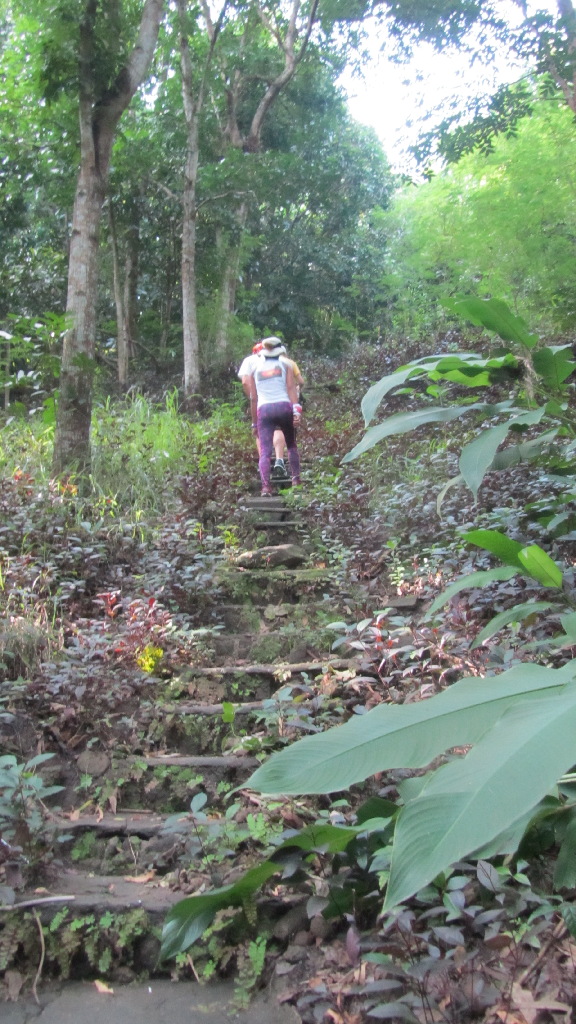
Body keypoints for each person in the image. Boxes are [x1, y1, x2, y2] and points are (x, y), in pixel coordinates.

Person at [247, 336, 302, 496]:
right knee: (291, 445)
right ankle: (296, 480)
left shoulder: (254, 369)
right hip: (284, 407)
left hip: (264, 410)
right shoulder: (286, 365)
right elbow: (291, 389)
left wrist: (254, 423)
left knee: (265, 451)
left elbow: (253, 398)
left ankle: (266, 487)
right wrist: (296, 411)